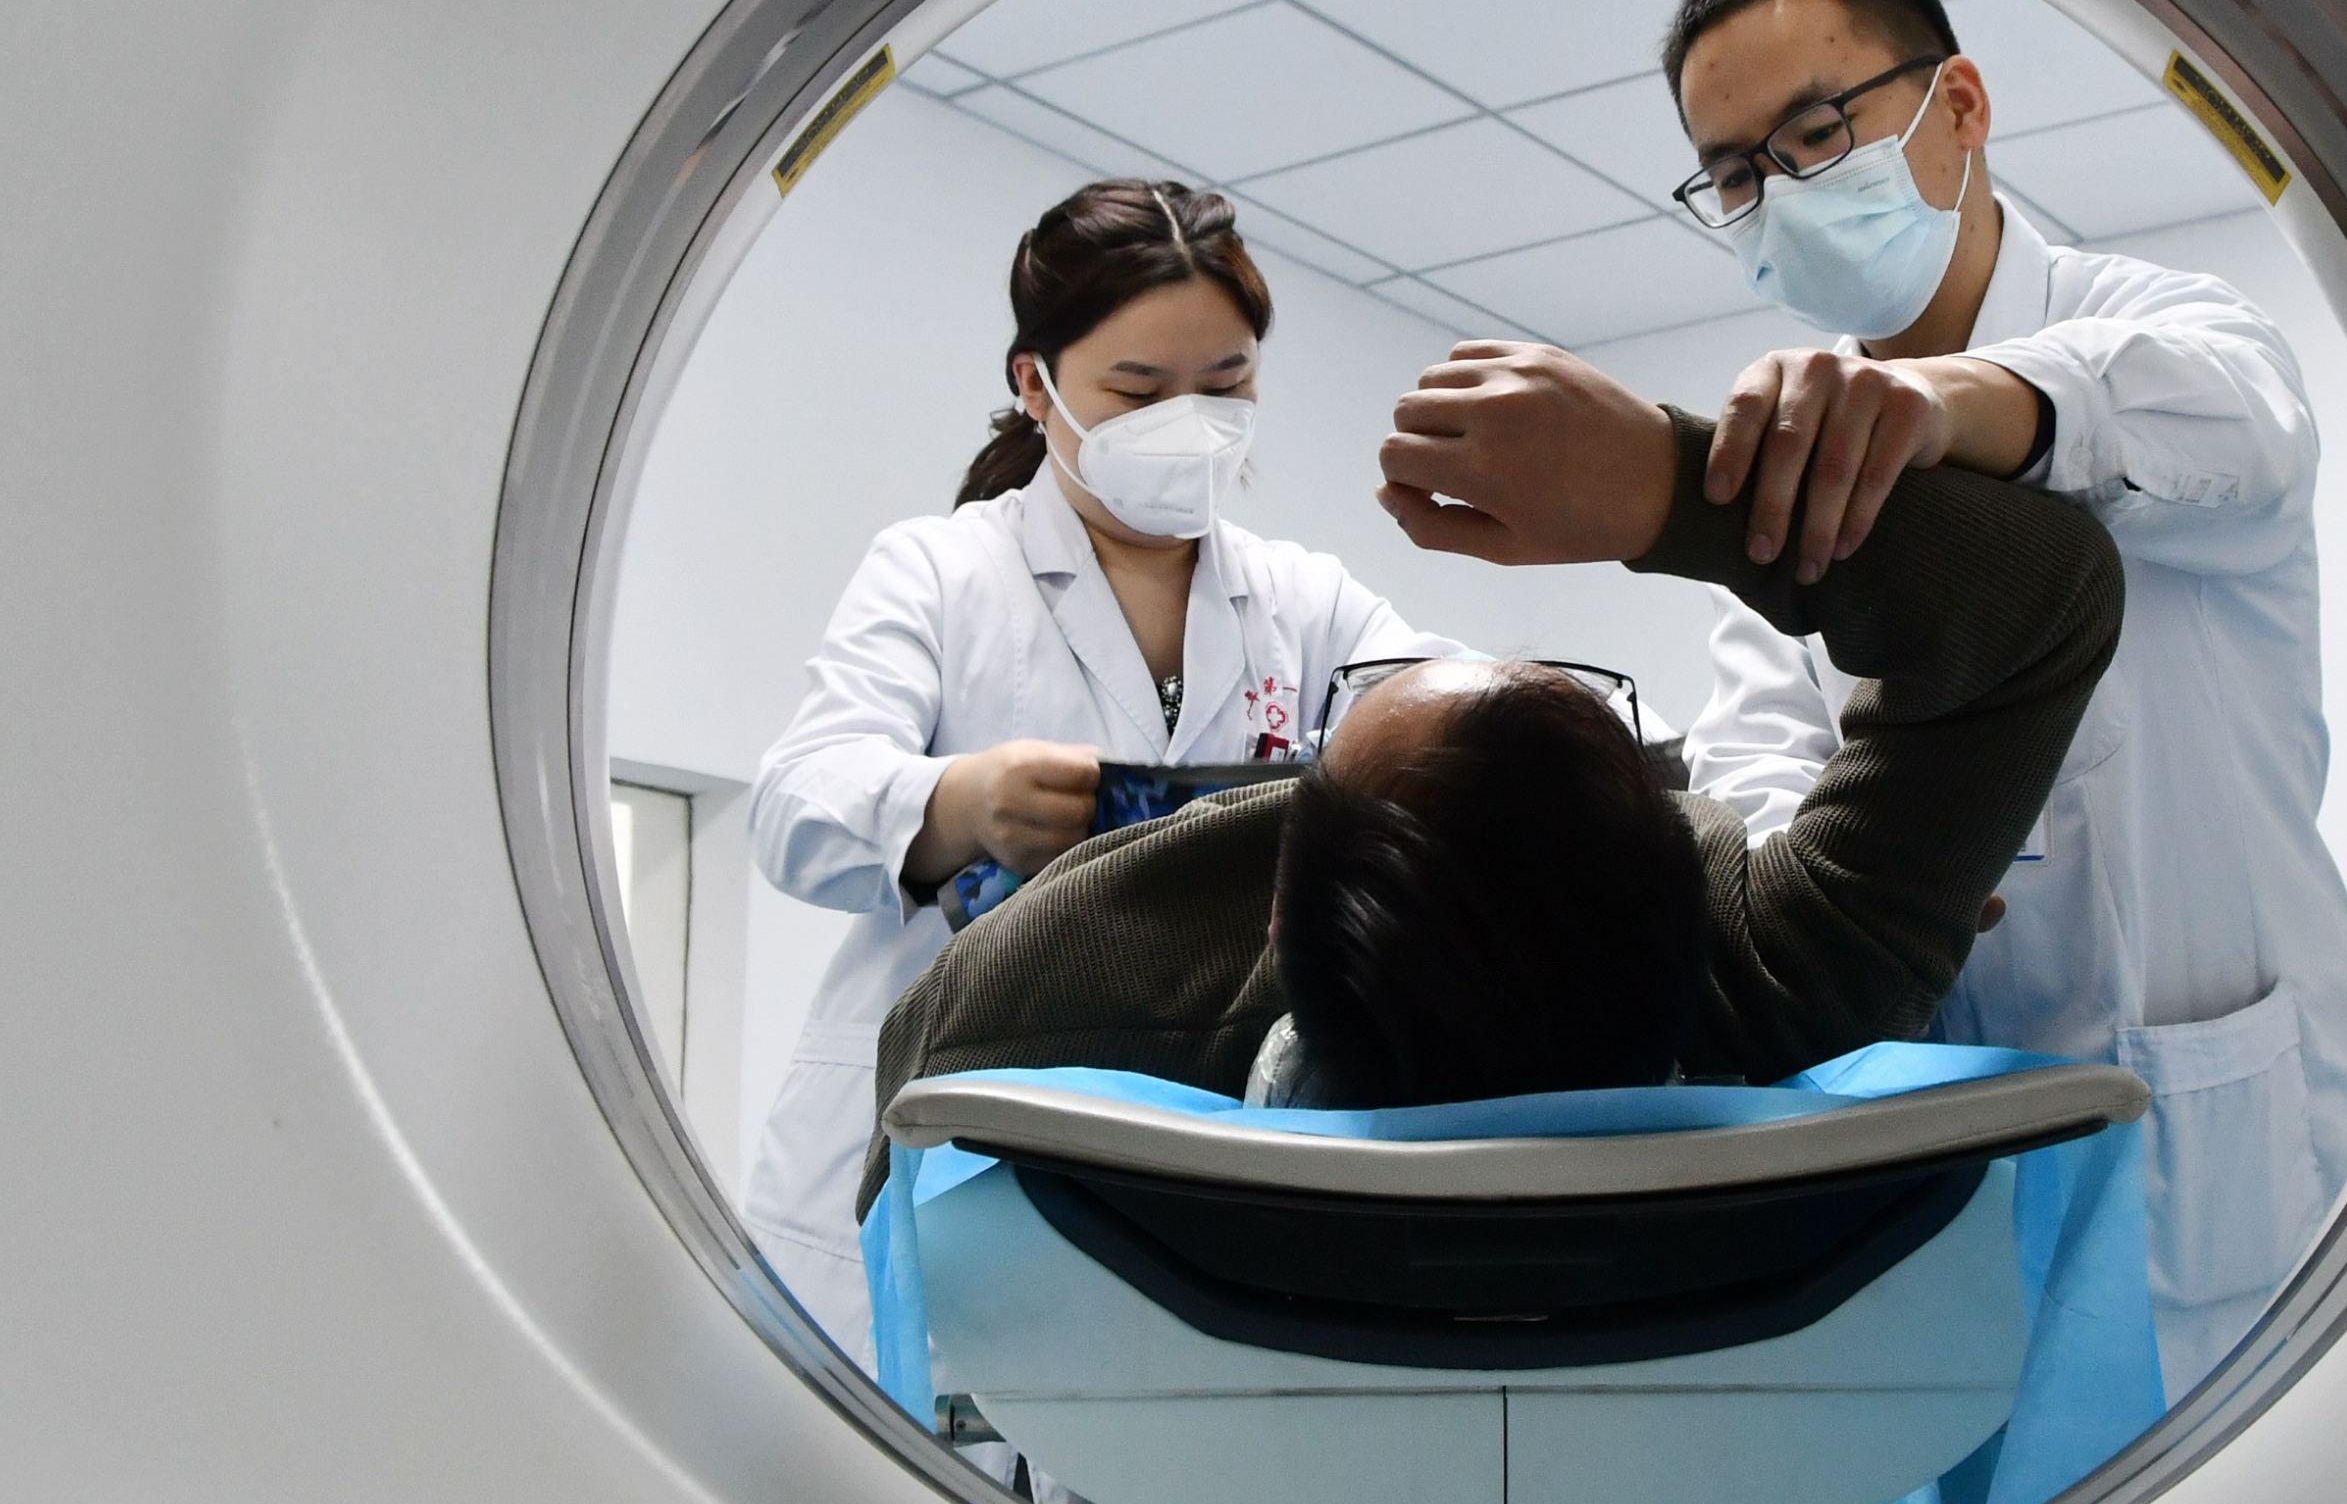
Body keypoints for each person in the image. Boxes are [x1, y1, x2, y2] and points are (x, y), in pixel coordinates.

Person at [858, 339, 2124, 1210]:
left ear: (1281, 905)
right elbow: (2036, 594)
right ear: (1683, 860)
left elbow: (909, 1101)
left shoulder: (1071, 981)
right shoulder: (1795, 961)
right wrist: (1667, 488)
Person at [1659, 0, 2347, 1386]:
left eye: (1814, 130)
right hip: (1961, 1167)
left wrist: (1938, 408)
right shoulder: (1777, 499)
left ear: (1959, 108)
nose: (1778, 195)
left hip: (2230, 1156)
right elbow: (1752, 784)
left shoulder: (2160, 328)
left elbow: (2233, 427)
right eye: (1735, 173)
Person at [744, 179, 1447, 1358]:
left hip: (1181, 1136)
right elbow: (792, 805)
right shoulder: (940, 571)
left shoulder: (1303, 601)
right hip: (937, 1133)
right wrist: (956, 801)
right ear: (1035, 383)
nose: (1190, 417)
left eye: (1225, 385)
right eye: (1137, 389)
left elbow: (1461, 716)